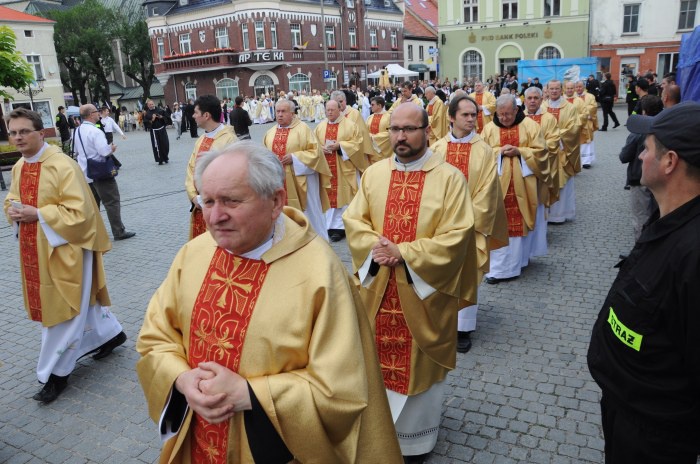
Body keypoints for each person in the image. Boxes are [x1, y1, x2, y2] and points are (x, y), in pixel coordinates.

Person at [136, 141, 402, 463]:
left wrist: (251, 394)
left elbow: (341, 388)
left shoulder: (319, 272)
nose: (216, 217)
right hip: (198, 438)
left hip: (272, 447)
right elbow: (157, 336)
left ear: (275, 200)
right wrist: (180, 378)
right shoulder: (194, 253)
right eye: (207, 201)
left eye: (231, 201)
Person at [343, 103, 478, 463]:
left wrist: (403, 253)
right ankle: (376, 432)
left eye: (409, 129)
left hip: (424, 292)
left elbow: (458, 235)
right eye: (395, 129)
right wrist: (377, 248)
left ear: (427, 131)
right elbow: (355, 220)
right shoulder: (373, 175)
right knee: (372, 359)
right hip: (379, 290)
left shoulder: (449, 178)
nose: (401, 137)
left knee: (419, 363)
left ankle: (416, 441)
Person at [588, 101, 700, 464]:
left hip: (656, 435)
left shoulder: (693, 251)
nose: (639, 157)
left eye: (646, 147)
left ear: (669, 162)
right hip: (629, 414)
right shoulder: (667, 218)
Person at [4, 108, 126, 403]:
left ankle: (54, 373)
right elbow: (13, 197)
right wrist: (12, 209)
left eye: (24, 131)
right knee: (79, 304)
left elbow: (82, 213)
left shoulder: (62, 165)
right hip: (35, 247)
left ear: (41, 132)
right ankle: (111, 334)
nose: (18, 137)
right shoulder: (20, 166)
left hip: (68, 247)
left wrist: (39, 214)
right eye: (13, 132)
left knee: (62, 312)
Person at [431, 94, 508, 353]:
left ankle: (463, 327)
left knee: (467, 275)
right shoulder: (437, 149)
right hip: (440, 228)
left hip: (471, 226)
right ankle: (440, 324)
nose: (471, 119)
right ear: (451, 117)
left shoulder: (484, 150)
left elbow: (488, 191)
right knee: (440, 274)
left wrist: (464, 222)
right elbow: (430, 189)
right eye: (464, 115)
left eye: (473, 114)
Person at [481, 95, 547, 284]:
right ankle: (499, 268)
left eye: (508, 114)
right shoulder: (489, 129)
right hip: (496, 186)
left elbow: (541, 152)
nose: (504, 118)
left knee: (518, 225)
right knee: (498, 224)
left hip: (523, 185)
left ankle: (515, 264)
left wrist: (520, 152)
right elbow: (481, 154)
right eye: (500, 115)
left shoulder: (530, 126)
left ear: (516, 110)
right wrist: (499, 152)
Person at [263, 98, 331, 241]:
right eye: (277, 111)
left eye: (284, 111)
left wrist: (295, 158)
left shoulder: (303, 129)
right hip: (279, 182)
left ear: (293, 113)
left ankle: (317, 242)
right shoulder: (270, 132)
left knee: (310, 214)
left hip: (303, 182)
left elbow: (316, 153)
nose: (280, 114)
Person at [74, 104, 135, 241]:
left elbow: (77, 152)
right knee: (112, 202)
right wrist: (111, 148)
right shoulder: (95, 131)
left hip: (86, 173)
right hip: (101, 173)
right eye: (96, 112)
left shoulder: (77, 131)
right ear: (90, 114)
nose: (99, 114)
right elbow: (103, 151)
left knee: (92, 206)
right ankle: (118, 231)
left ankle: (92, 233)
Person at [185, 95, 238, 239]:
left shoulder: (229, 139)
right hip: (199, 205)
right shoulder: (201, 139)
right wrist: (194, 196)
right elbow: (191, 169)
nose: (193, 116)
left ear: (206, 115)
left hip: (219, 207)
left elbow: (233, 175)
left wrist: (209, 198)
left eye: (196, 112)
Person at [314, 99, 367, 242]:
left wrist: (340, 146)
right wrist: (320, 149)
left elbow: (358, 144)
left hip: (344, 168)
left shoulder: (350, 126)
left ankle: (343, 226)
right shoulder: (320, 126)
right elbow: (313, 145)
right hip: (327, 168)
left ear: (339, 110)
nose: (329, 112)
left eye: (332, 110)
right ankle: (330, 226)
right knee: (329, 196)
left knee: (344, 197)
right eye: (327, 110)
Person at [523, 86, 561, 260]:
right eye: (529, 98)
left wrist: (536, 152)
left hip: (541, 171)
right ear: (524, 100)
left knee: (538, 206)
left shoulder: (549, 118)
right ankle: (522, 249)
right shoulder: (519, 118)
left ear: (541, 100)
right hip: (522, 173)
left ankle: (536, 246)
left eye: (535, 98)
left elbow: (554, 141)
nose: (532, 101)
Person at [619, 95, 663, 240]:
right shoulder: (665, 129)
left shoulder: (637, 133)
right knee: (658, 215)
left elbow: (624, 157)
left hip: (639, 178)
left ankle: (640, 253)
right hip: (660, 179)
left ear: (644, 111)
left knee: (640, 217)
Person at [542, 80, 582, 224]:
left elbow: (575, 127)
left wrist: (556, 136)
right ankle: (547, 214)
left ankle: (561, 214)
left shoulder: (570, 108)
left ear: (561, 90)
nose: (554, 91)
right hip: (546, 152)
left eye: (557, 89)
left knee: (563, 182)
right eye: (551, 89)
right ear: (547, 90)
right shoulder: (542, 107)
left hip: (562, 150)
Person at [574, 80, 598, 168]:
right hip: (576, 122)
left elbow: (593, 107)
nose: (578, 88)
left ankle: (586, 161)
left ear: (584, 87)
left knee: (586, 141)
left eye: (580, 86)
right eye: (577, 87)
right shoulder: (572, 97)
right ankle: (577, 159)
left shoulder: (590, 96)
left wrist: (583, 113)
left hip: (587, 122)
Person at [366, 95, 393, 161]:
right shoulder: (370, 117)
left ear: (379, 106)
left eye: (373, 105)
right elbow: (365, 131)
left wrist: (374, 138)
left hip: (384, 150)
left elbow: (391, 132)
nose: (370, 106)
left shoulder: (389, 117)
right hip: (371, 151)